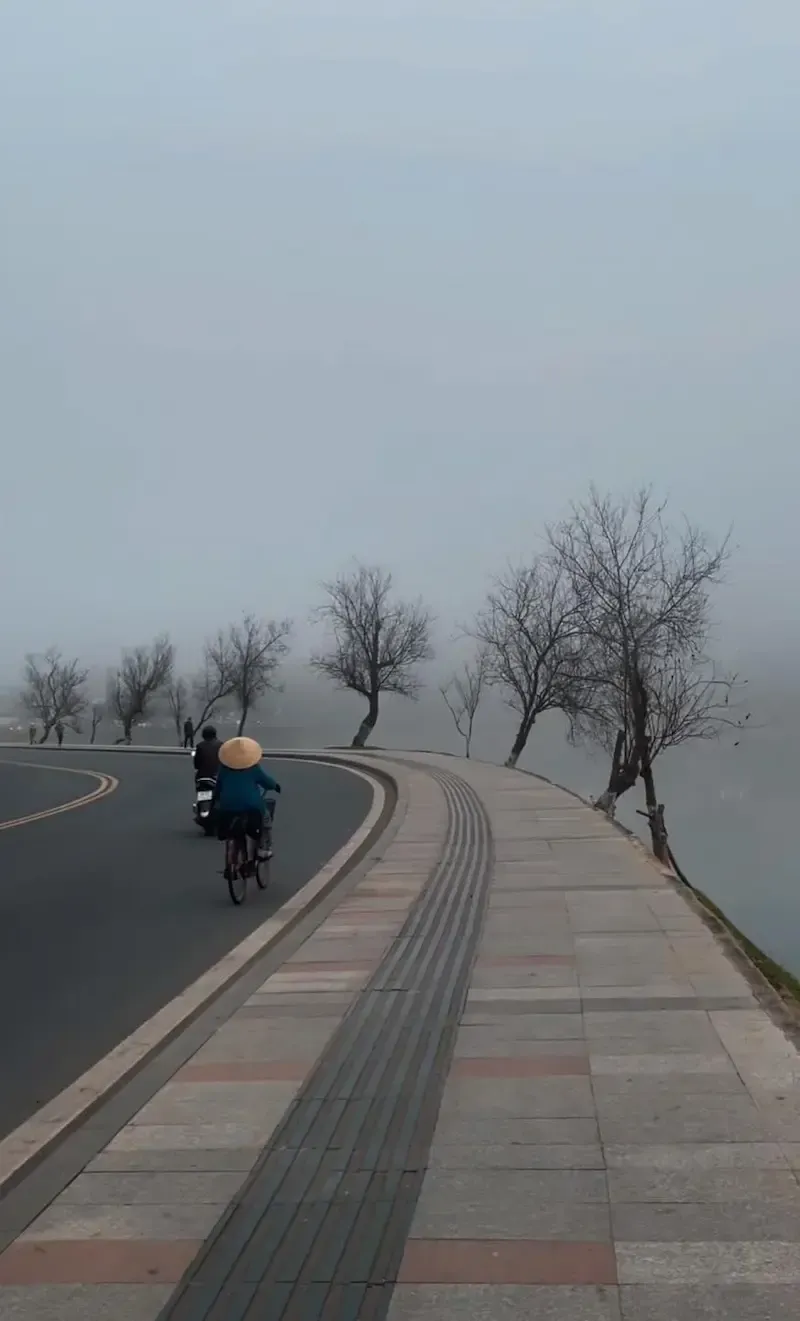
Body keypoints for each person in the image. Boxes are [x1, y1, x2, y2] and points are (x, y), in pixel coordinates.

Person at [212, 736, 281, 870]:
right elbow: (267, 781)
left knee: (230, 827)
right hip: (251, 807)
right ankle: (262, 848)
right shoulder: (253, 768)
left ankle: (231, 860)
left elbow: (218, 787)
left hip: (227, 806)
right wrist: (276, 786)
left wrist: (217, 800)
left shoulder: (224, 770)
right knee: (265, 819)